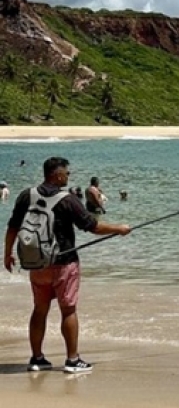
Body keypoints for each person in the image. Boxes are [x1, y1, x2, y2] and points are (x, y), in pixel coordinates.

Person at [4, 157, 132, 374]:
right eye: (67, 173)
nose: (69, 176)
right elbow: (91, 226)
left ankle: (37, 358)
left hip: (37, 264)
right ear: (57, 175)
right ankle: (72, 360)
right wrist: (119, 228)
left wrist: (7, 254)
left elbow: (13, 226)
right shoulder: (68, 200)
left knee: (39, 310)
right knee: (68, 310)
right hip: (64, 263)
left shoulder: (27, 195)